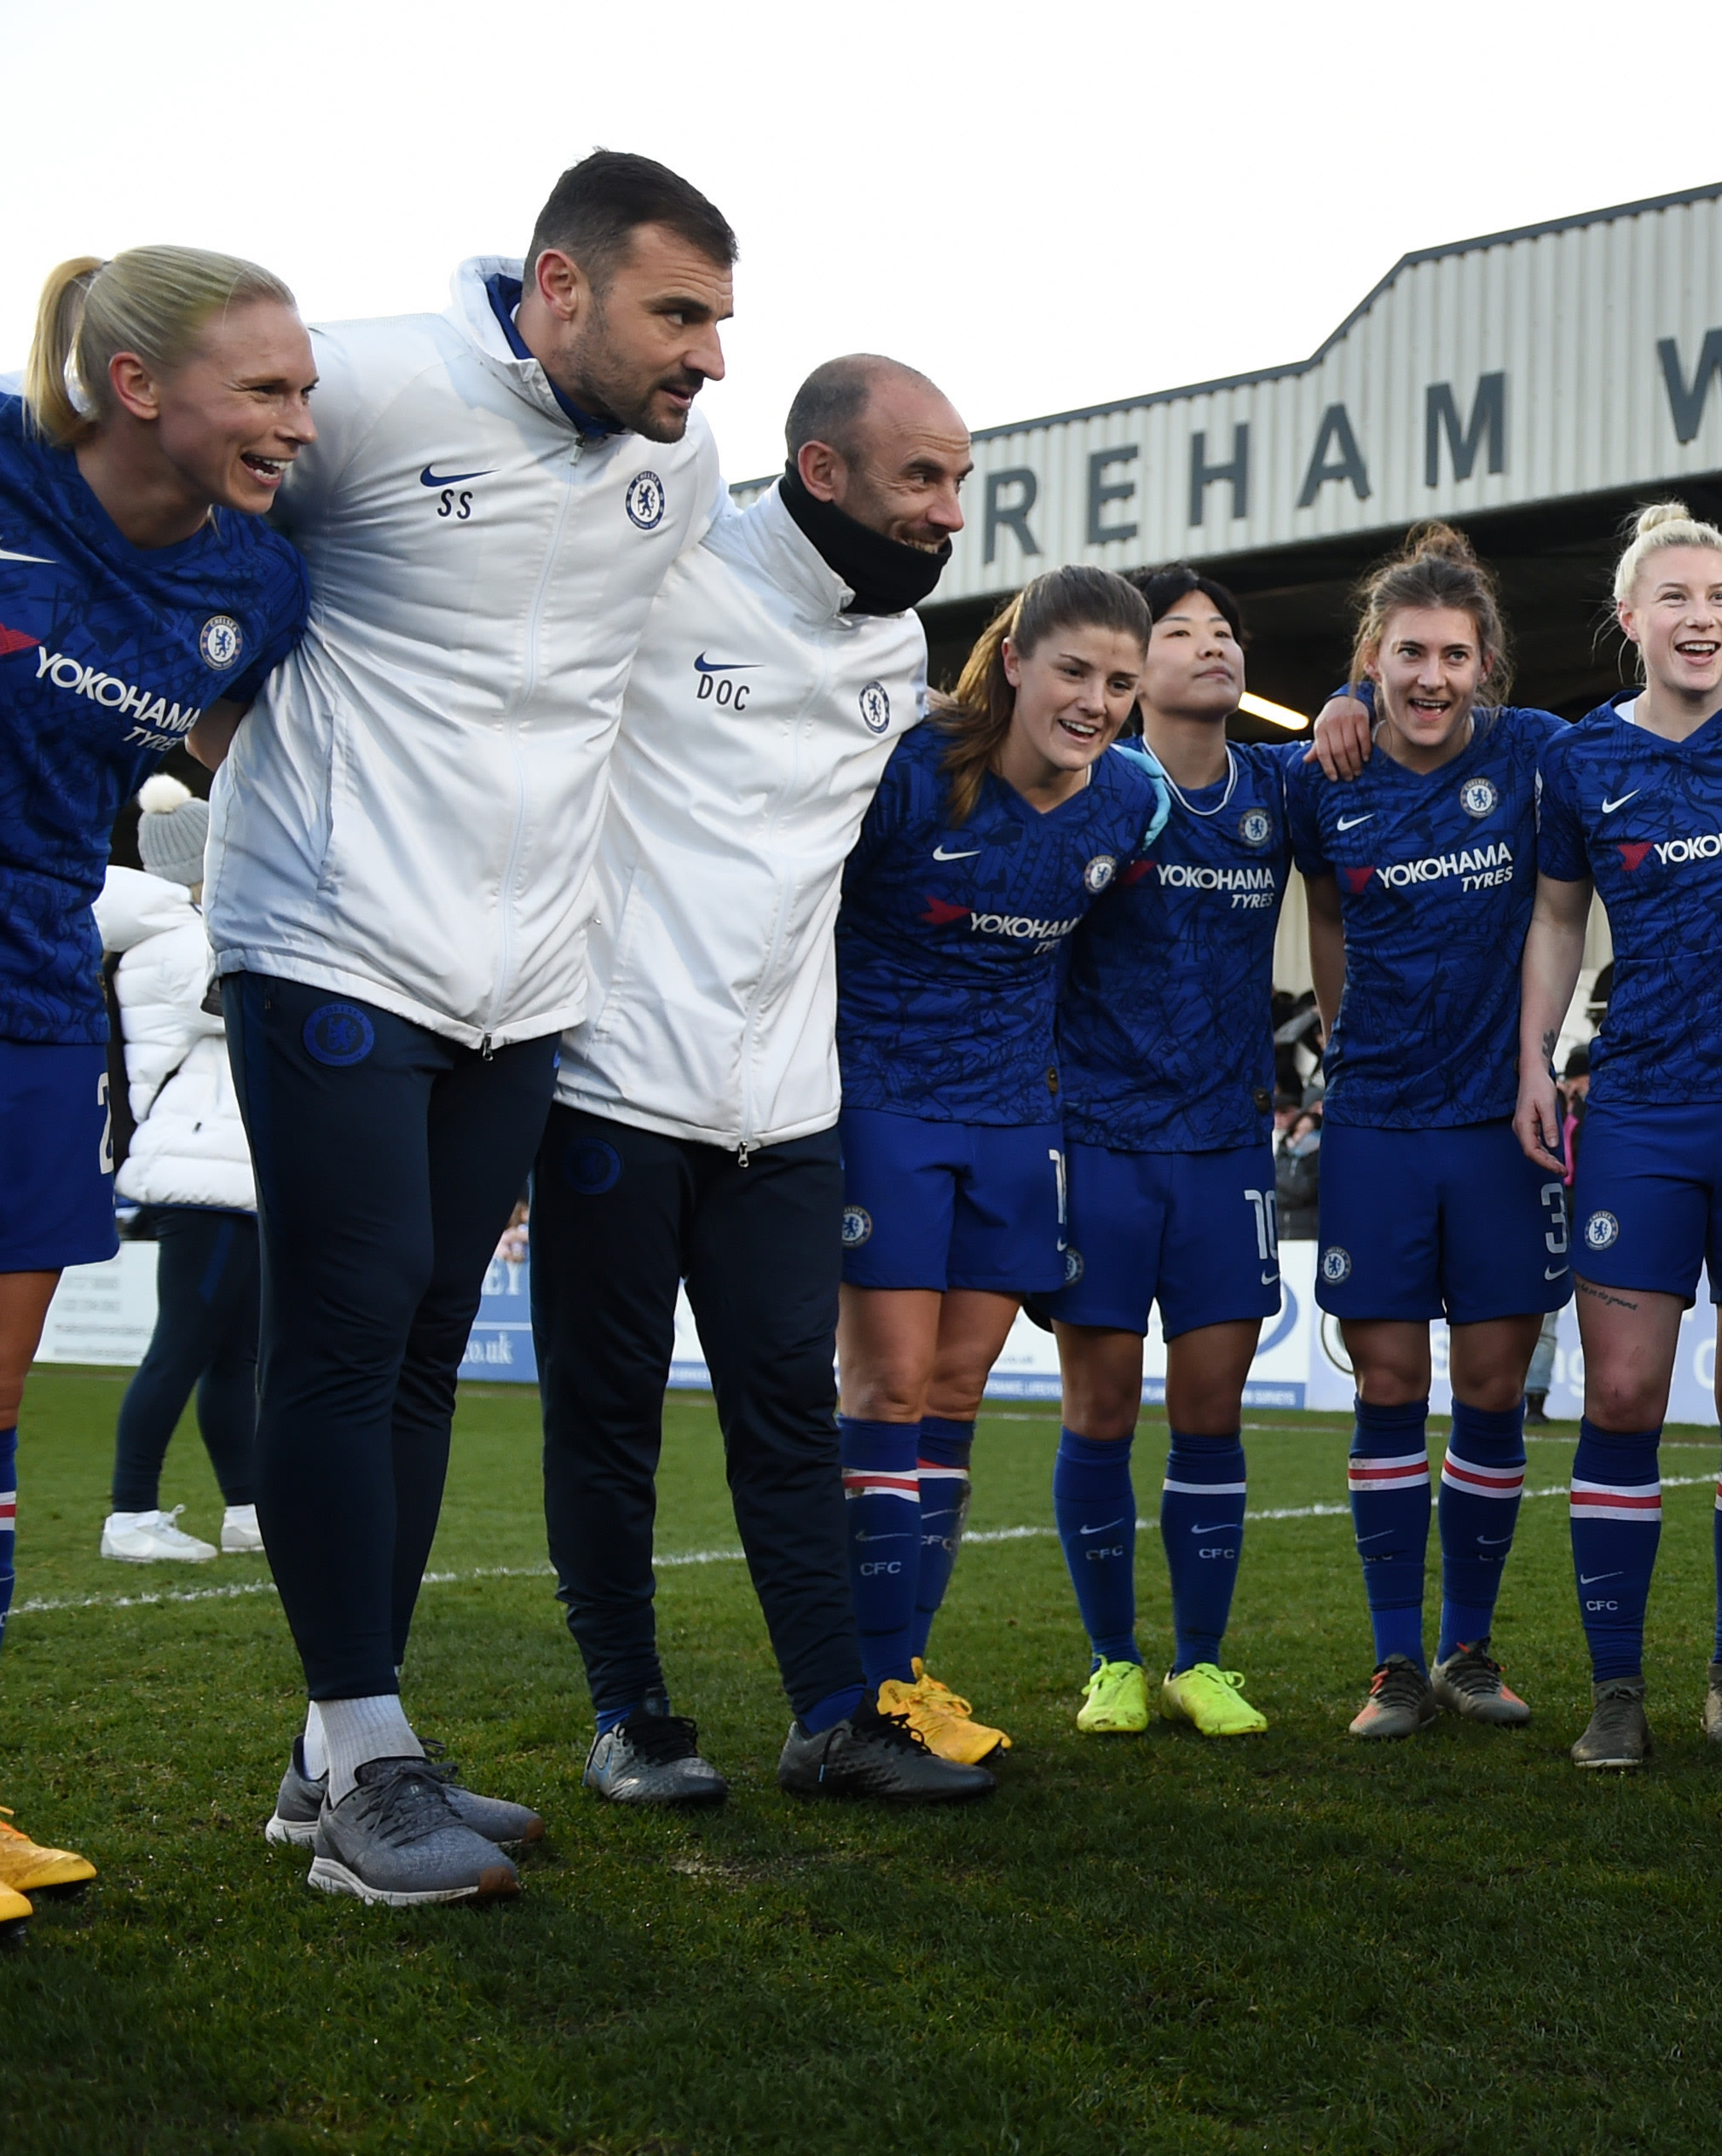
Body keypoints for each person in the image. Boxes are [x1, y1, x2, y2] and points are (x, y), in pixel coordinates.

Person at [205, 154, 730, 1909]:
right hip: (334, 943)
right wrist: (194, 736)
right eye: (679, 313)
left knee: (424, 1346)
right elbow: (160, 525)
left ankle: (334, 1750)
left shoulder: (683, 462)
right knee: (343, 1337)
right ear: (559, 288)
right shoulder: (352, 385)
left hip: (530, 986)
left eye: (721, 320)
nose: (709, 358)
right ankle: (367, 1772)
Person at [528, 353, 991, 1811]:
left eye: (961, 482)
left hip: (789, 1109)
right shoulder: (667, 573)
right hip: (612, 1081)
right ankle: (629, 1713)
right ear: (821, 471)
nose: (949, 510)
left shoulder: (895, 661)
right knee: (606, 1416)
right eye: (922, 477)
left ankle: (833, 1715)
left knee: (788, 1414)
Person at [2, 248, 312, 1928]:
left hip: (36, 997)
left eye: (304, 388)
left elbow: (239, 754)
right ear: (137, 389)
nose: (297, 422)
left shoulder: (256, 585)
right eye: (265, 389)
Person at [1517, 504, 1722, 1770]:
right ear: (1630, 620)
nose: (1700, 617)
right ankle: (1614, 1690)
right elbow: (1556, 920)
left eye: (1719, 597)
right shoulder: (1578, 760)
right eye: (1676, 598)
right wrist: (1532, 1059)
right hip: (1641, 1105)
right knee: (1620, 1393)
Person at [831, 567, 1168, 1770]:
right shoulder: (908, 767)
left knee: (959, 1392)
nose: (1096, 702)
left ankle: (907, 1681)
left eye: (1121, 683)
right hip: (882, 1108)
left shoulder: (1129, 802)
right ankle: (855, 1692)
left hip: (1013, 1124)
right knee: (885, 1389)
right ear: (1013, 656)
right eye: (1074, 671)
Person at [1292, 524, 1566, 1743]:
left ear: (1486, 663)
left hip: (1497, 1127)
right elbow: (1325, 920)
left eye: (1454, 655)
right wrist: (1325, 711)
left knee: (1494, 1387)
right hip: (1374, 1126)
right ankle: (1393, 1663)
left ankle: (1467, 1648)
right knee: (1393, 1383)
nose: (1431, 677)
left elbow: (1645, 738)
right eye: (1408, 654)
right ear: (1373, 656)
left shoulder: (1532, 755)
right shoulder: (1322, 778)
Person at [1034, 564, 1291, 1745]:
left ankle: (1200, 1661)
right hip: (1100, 1143)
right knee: (1097, 1411)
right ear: (1138, 675)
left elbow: (1390, 729)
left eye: (1224, 630)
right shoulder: (1097, 788)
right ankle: (1112, 1662)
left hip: (1225, 1149)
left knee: (1209, 1412)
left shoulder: (1277, 788)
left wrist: (1345, 697)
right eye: (1180, 631)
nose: (1211, 645)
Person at [95, 779, 256, 1567]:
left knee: (232, 1358)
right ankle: (130, 1513)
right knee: (182, 1349)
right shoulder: (180, 942)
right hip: (204, 1174)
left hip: (226, 1170)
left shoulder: (180, 934)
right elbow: (246, 1003)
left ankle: (248, 1509)